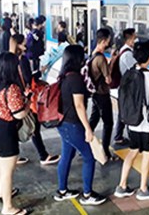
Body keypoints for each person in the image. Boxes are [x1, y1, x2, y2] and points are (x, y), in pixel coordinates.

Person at [54, 45, 106, 205]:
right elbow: (79, 106)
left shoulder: (63, 76)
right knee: (89, 157)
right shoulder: (75, 78)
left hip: (63, 123)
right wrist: (88, 129)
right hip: (73, 125)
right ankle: (87, 194)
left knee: (67, 155)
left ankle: (62, 191)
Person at [114, 40, 149, 201]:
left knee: (132, 152)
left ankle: (121, 186)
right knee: (147, 155)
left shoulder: (129, 72)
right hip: (147, 125)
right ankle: (143, 189)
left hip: (132, 123)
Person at [0, 52, 30, 215]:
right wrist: (28, 103)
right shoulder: (11, 88)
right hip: (4, 133)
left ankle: (3, 192)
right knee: (8, 170)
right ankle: (8, 207)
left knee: (1, 165)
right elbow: (19, 114)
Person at [8, 34, 61, 166]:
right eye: (24, 43)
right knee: (34, 126)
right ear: (19, 45)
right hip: (25, 98)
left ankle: (12, 156)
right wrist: (40, 72)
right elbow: (27, 79)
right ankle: (43, 156)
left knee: (15, 126)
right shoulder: (22, 60)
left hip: (13, 97)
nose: (26, 45)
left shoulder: (10, 58)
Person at [88, 28, 115, 160]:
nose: (109, 43)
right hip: (102, 94)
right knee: (108, 123)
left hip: (95, 94)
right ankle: (105, 151)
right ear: (103, 41)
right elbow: (108, 79)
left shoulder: (92, 54)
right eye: (108, 41)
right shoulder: (101, 58)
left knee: (94, 119)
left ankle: (85, 143)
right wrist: (112, 63)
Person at [113, 28, 137, 145]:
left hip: (124, 87)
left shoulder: (124, 50)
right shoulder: (127, 54)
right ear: (130, 39)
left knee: (123, 112)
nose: (136, 40)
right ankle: (124, 136)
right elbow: (134, 70)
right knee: (127, 111)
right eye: (134, 37)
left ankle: (119, 136)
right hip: (127, 88)